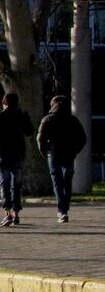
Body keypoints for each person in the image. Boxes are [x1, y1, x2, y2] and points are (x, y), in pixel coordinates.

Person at [0, 91, 33, 227]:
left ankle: (7, 212)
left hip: (1, 154)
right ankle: (16, 213)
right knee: (16, 184)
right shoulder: (21, 117)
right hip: (18, 154)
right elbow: (29, 131)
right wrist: (25, 118)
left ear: (4, 103)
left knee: (4, 182)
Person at [37, 94, 86, 224]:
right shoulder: (72, 120)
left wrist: (44, 152)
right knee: (67, 181)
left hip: (53, 154)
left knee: (57, 182)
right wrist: (75, 150)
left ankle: (61, 210)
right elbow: (82, 138)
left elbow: (40, 138)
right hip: (69, 154)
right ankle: (65, 208)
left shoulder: (47, 119)